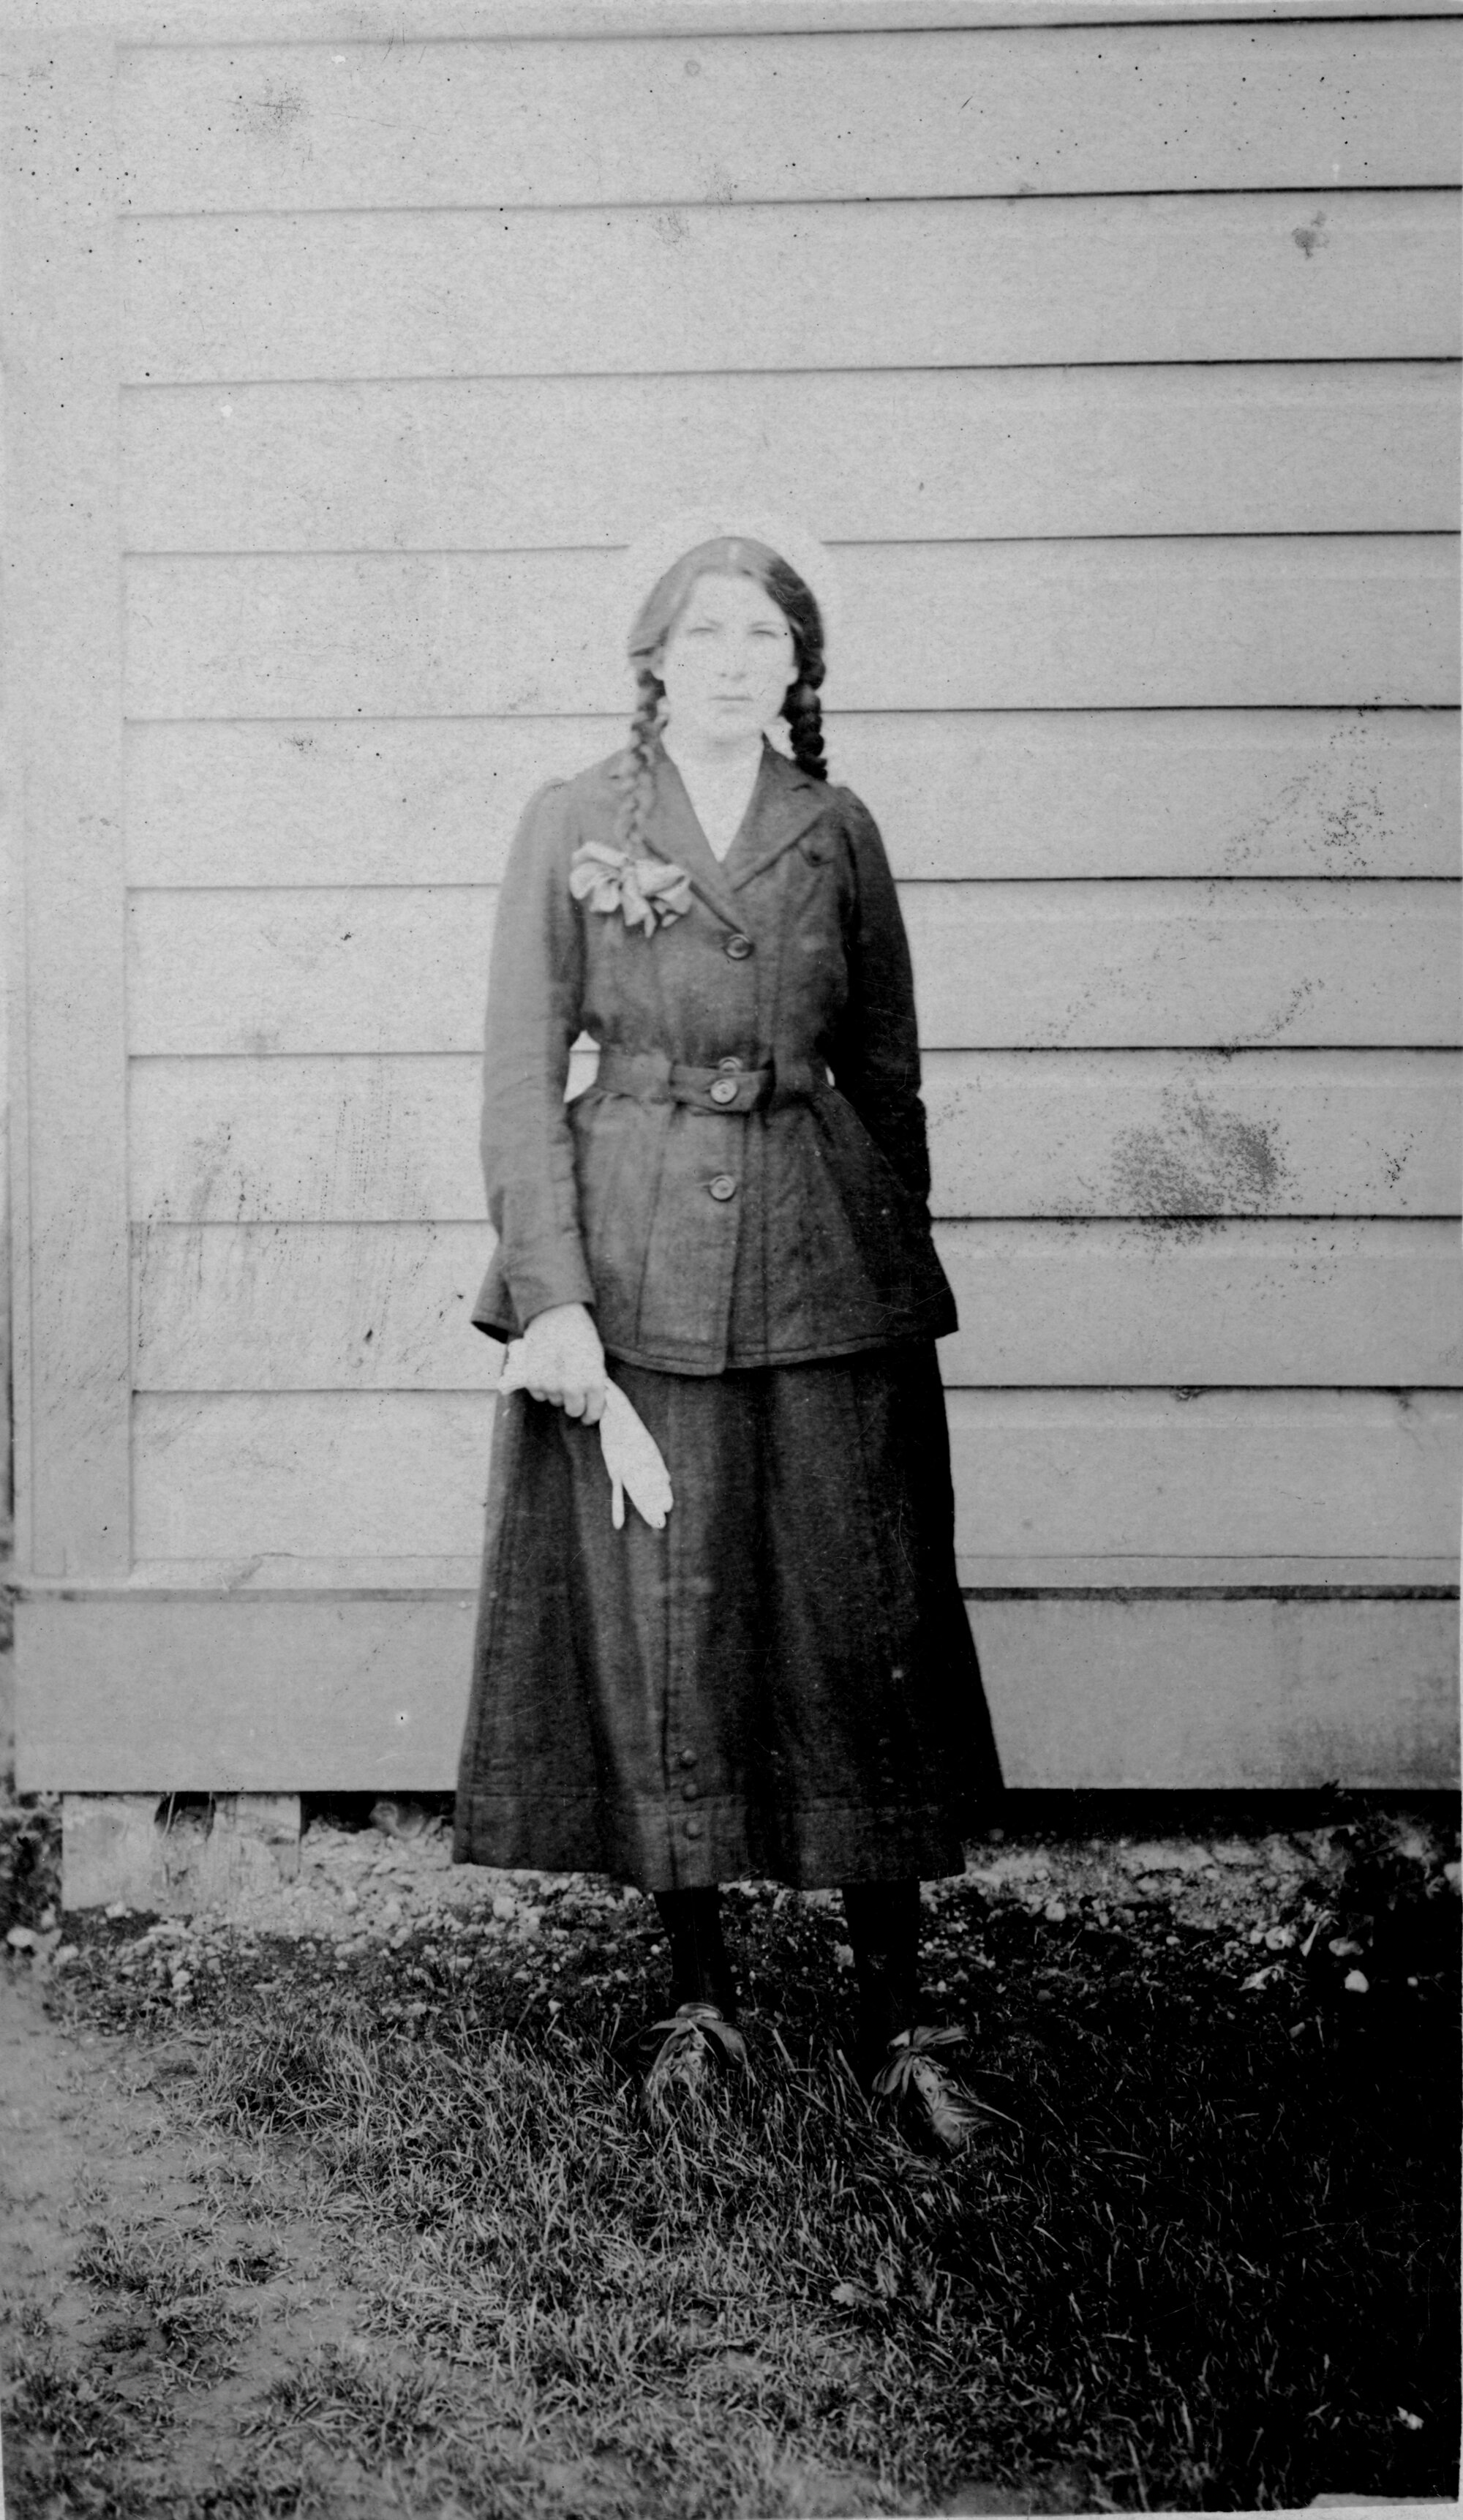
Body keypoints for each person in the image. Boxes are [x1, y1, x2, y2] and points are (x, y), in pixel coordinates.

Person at [453, 512, 1004, 2141]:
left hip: (822, 1261)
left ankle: (899, 2014)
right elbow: (513, 1075)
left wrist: (877, 1251)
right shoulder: (573, 821)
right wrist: (551, 1292)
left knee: (857, 1610)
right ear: (654, 659)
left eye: (764, 637)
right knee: (666, 1613)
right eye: (705, 634)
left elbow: (889, 1075)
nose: (733, 661)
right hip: (633, 1267)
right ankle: (697, 1996)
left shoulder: (834, 831)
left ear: (794, 668)